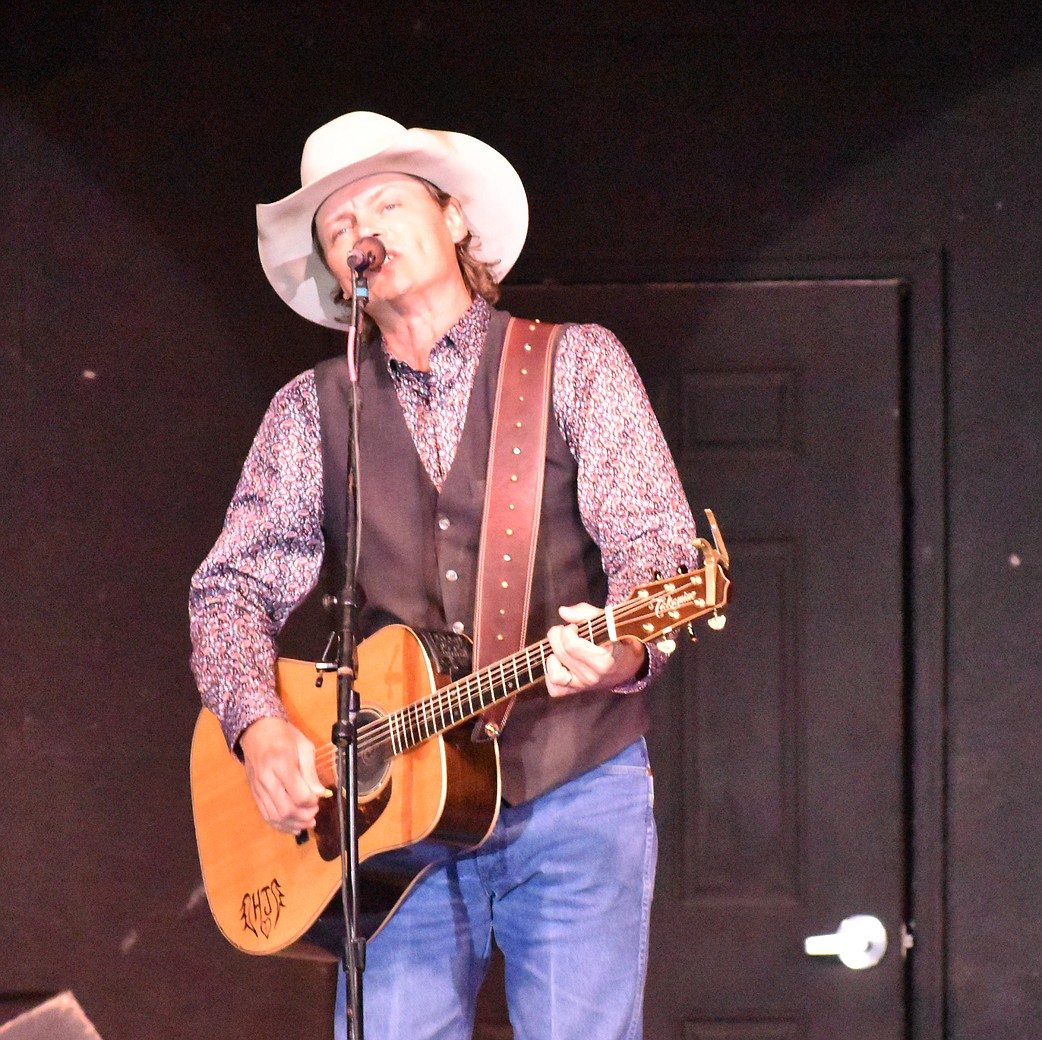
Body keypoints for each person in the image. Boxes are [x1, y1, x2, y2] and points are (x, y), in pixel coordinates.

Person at [189, 111, 696, 1040]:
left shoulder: (576, 363)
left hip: (574, 784)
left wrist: (621, 649)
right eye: (338, 227)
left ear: (457, 220)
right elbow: (230, 589)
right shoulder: (311, 410)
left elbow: (658, 551)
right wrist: (257, 728)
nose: (360, 233)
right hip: (394, 815)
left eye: (385, 202)